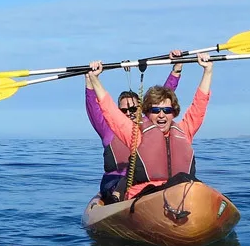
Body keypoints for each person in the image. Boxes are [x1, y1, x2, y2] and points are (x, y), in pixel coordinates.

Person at [87, 52, 213, 201]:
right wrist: (94, 79)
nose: (161, 115)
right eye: (155, 111)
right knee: (183, 182)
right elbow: (110, 110)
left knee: (188, 182)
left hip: (178, 193)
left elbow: (199, 106)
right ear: (147, 113)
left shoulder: (183, 132)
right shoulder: (136, 135)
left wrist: (207, 71)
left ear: (174, 113)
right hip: (145, 197)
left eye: (167, 111)